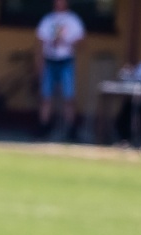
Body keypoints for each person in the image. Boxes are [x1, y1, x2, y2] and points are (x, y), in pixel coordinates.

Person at [36, 0, 84, 138]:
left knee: (69, 96)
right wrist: (39, 62)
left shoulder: (73, 20)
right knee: (46, 95)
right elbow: (40, 41)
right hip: (50, 61)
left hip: (66, 61)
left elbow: (81, 40)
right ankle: (44, 126)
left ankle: (71, 128)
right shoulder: (48, 19)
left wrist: (66, 41)